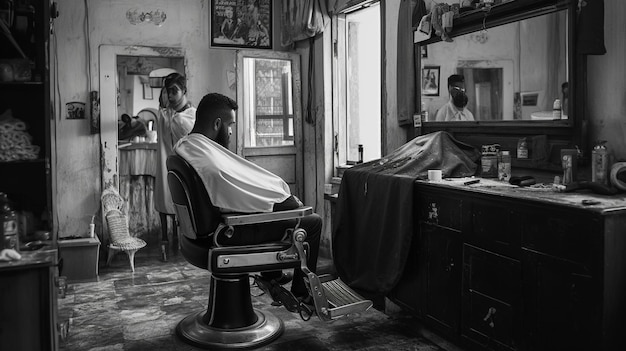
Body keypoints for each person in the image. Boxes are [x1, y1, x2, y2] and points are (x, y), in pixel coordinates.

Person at [173, 92, 321, 306]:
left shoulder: (188, 147)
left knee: (270, 213)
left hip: (200, 233)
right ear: (217, 123)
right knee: (312, 222)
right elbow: (237, 194)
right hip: (225, 234)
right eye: (230, 124)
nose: (231, 131)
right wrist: (287, 202)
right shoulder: (209, 164)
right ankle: (302, 291)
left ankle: (272, 276)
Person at [155, 73, 196, 261]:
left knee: (184, 204)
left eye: (174, 91)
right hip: (167, 165)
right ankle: (165, 243)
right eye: (167, 92)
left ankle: (187, 244)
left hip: (187, 169)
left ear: (184, 91)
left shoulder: (190, 116)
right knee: (165, 198)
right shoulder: (167, 115)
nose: (170, 96)